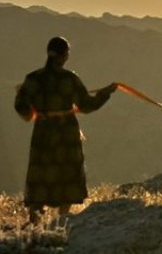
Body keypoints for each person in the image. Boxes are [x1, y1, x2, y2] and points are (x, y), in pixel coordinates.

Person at [14, 36, 117, 223]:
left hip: (42, 132)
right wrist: (105, 93)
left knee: (41, 172)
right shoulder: (69, 79)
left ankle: (34, 222)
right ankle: (62, 221)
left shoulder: (32, 79)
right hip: (66, 133)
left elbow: (22, 108)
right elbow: (86, 105)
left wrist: (30, 106)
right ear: (64, 56)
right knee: (67, 172)